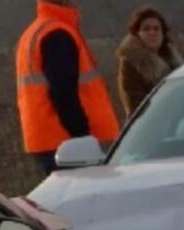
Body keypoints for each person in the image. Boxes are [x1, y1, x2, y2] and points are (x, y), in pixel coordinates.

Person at [16, 0, 120, 177]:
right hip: (69, 145)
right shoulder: (57, 34)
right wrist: (82, 135)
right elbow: (63, 93)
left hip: (49, 140)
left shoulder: (36, 31)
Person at [116, 6, 184, 118]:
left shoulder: (174, 60)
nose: (152, 32)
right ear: (138, 34)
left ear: (163, 33)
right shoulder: (131, 63)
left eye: (156, 28)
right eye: (146, 29)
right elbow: (136, 106)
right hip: (149, 125)